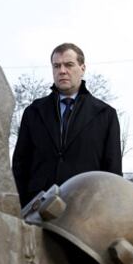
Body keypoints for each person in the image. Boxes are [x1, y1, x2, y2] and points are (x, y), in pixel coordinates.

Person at [12, 43, 122, 208]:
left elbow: (112, 171)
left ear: (82, 68)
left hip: (85, 209)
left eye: (69, 65)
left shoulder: (105, 115)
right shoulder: (34, 112)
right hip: (38, 208)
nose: (62, 70)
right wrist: (21, 205)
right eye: (56, 66)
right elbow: (20, 164)